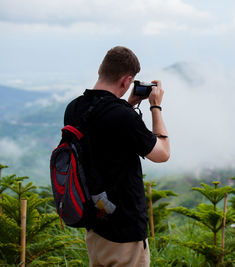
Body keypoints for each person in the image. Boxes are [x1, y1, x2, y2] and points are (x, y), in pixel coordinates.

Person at [63, 46, 170, 266]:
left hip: (95, 226)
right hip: (125, 233)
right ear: (126, 80)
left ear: (101, 70)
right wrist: (155, 106)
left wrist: (128, 104)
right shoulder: (122, 116)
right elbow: (162, 153)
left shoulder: (74, 108)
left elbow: (104, 132)